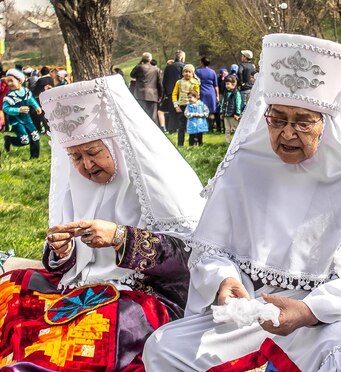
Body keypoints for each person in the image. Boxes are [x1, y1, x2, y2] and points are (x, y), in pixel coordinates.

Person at [142, 33, 341, 371]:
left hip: (329, 315)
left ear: (327, 123)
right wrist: (224, 282)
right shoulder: (245, 166)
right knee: (164, 347)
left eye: (303, 121)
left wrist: (309, 311)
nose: (287, 134)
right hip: (254, 309)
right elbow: (210, 249)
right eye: (277, 119)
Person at [0, 74, 205, 371]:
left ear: (119, 146)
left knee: (95, 328)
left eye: (94, 152)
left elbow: (189, 258)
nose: (86, 165)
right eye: (76, 157)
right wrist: (63, 251)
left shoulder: (159, 184)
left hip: (145, 296)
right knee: (13, 289)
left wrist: (121, 236)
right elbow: (69, 265)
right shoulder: (78, 186)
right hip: (81, 289)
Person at [2, 68, 41, 159]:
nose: (9, 83)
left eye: (11, 81)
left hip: (27, 119)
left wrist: (37, 107)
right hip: (17, 121)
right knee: (25, 140)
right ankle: (10, 140)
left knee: (35, 136)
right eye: (8, 81)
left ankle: (34, 157)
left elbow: (31, 100)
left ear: (19, 80)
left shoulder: (26, 91)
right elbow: (6, 108)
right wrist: (18, 110)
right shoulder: (10, 96)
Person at [130, 52, 163, 125]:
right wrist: (160, 95)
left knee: (140, 115)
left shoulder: (139, 67)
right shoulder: (156, 69)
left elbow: (132, 75)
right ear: (150, 59)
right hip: (153, 95)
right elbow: (159, 84)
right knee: (153, 116)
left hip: (140, 94)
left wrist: (138, 64)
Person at [172, 64, 200, 146]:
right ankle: (180, 144)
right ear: (183, 73)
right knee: (181, 126)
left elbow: (197, 95)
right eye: (186, 72)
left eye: (189, 72)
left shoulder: (195, 83)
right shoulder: (179, 82)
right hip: (181, 106)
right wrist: (176, 106)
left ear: (192, 73)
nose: (187, 74)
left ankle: (192, 143)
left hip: (191, 107)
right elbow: (174, 94)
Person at [162, 50, 186, 133]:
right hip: (182, 91)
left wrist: (165, 93)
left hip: (170, 91)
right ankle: (182, 128)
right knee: (182, 111)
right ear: (182, 57)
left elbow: (164, 81)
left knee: (172, 111)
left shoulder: (168, 67)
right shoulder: (184, 66)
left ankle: (172, 129)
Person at [195, 57, 219, 132]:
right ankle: (211, 127)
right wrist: (217, 95)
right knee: (211, 111)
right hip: (211, 92)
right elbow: (216, 85)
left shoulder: (198, 71)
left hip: (202, 92)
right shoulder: (213, 72)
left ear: (201, 62)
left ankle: (204, 128)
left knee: (202, 110)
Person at [219, 75, 242, 143]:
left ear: (234, 84)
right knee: (227, 129)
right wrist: (221, 112)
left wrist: (237, 113)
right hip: (226, 114)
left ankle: (235, 142)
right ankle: (227, 141)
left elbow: (238, 103)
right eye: (226, 84)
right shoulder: (225, 93)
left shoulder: (236, 93)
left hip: (233, 115)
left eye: (228, 84)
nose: (227, 86)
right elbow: (223, 103)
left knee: (234, 129)